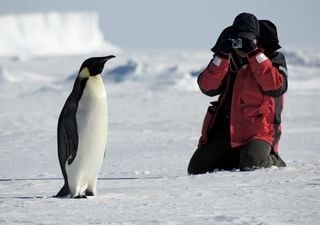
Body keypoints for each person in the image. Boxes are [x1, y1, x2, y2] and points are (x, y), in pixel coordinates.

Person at [188, 13, 288, 174]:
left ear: (257, 39)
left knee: (253, 163)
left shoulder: (272, 57)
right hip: (226, 127)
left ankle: (274, 161)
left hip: (258, 129)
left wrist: (255, 54)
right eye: (239, 40)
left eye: (248, 40)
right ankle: (238, 157)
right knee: (197, 169)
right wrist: (221, 56)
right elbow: (207, 87)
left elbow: (275, 86)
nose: (241, 45)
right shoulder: (228, 58)